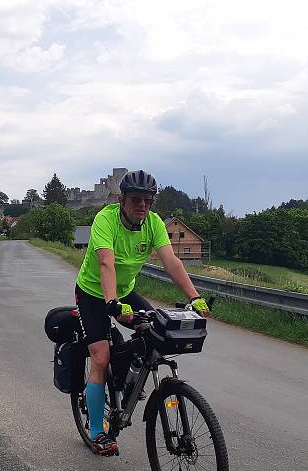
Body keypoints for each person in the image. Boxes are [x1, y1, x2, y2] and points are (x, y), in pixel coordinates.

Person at [75, 169, 210, 456]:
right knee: (100, 356)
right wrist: (111, 303)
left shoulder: (153, 224)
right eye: (137, 199)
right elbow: (105, 264)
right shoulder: (105, 219)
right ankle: (98, 432)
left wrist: (194, 297)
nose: (143, 206)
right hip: (93, 292)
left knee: (156, 332)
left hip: (124, 291)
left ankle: (125, 381)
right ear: (122, 200)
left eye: (148, 201)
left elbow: (171, 262)